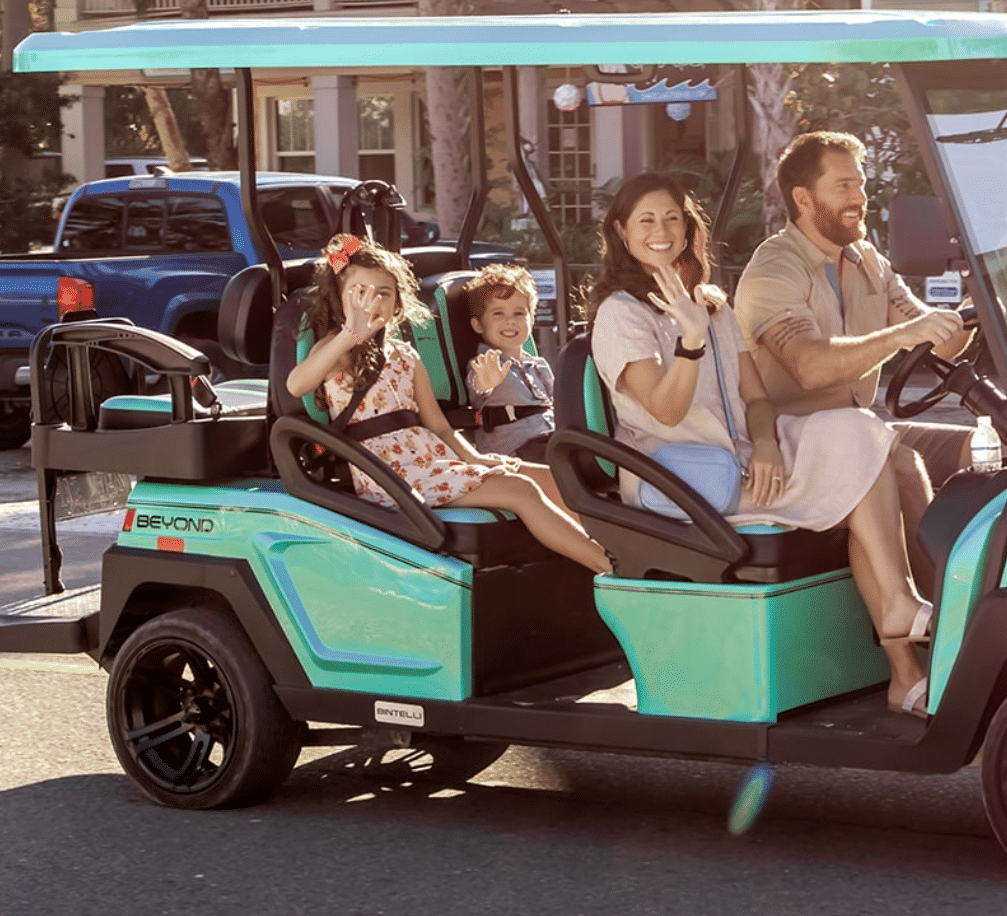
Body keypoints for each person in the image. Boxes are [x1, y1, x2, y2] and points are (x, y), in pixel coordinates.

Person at [588, 173, 932, 718]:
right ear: (622, 234)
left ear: (688, 229)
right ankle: (904, 659)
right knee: (864, 462)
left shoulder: (713, 307)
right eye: (646, 221)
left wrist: (769, 444)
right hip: (682, 479)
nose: (661, 231)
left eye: (673, 218)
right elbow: (666, 409)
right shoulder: (620, 315)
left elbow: (755, 397)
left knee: (861, 433)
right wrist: (690, 340)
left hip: (746, 456)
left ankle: (898, 615)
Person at [285, 233, 611, 575]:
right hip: (387, 472)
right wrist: (349, 335)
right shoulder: (337, 351)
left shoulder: (405, 355)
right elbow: (298, 384)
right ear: (340, 298)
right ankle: (604, 566)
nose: (371, 301)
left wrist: (477, 459)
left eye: (383, 293)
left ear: (397, 302)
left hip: (430, 458)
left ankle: (583, 562)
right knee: (521, 489)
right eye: (359, 292)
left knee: (552, 478)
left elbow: (438, 425)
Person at [734, 131, 977, 589]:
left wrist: (980, 300)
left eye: (861, 184)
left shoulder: (869, 260)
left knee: (982, 450)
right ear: (803, 198)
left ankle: (980, 587)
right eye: (843, 186)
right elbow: (809, 367)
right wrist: (901, 335)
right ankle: (941, 619)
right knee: (901, 463)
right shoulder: (775, 268)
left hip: (859, 427)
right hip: (788, 439)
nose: (859, 198)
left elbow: (938, 341)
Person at [458, 263, 556, 463]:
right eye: (498, 314)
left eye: (519, 313)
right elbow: (479, 385)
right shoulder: (485, 363)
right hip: (514, 451)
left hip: (549, 441)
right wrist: (486, 383)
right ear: (478, 324)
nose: (510, 321)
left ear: (531, 320)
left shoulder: (538, 364)